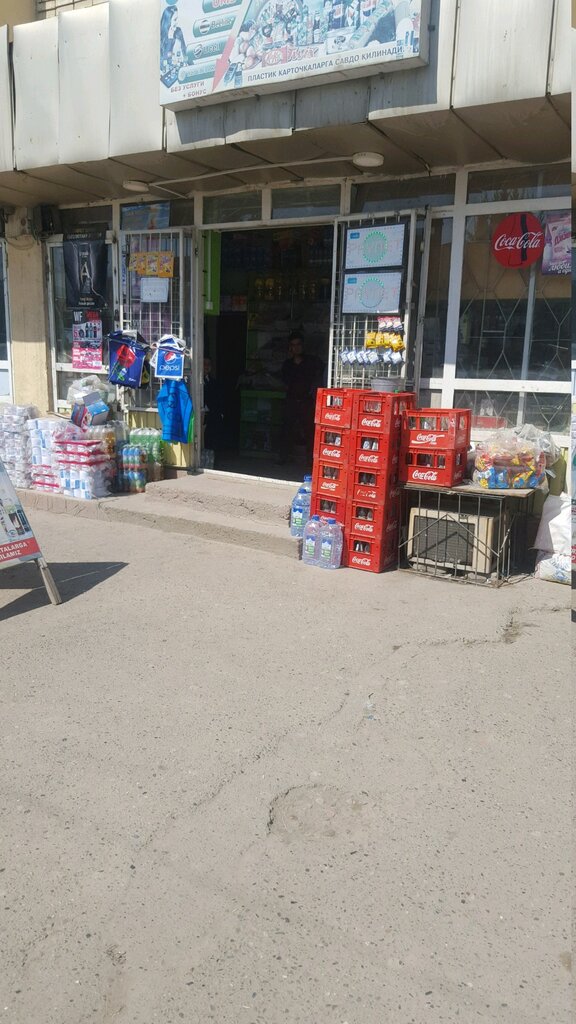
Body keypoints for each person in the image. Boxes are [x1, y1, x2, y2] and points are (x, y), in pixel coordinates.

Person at [279, 331, 324, 464]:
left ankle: (311, 459)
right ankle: (283, 457)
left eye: (298, 344)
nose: (296, 347)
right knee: (287, 429)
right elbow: (284, 382)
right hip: (291, 400)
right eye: (293, 345)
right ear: (290, 347)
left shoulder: (312, 361)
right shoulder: (287, 364)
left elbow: (320, 374)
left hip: (307, 401)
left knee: (310, 431)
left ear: (303, 345)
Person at [202, 357, 224, 456]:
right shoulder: (195, 381)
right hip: (200, 413)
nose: (206, 366)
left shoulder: (213, 381)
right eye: (204, 364)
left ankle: (210, 459)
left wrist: (220, 412)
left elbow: (218, 398)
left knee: (211, 437)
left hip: (212, 414)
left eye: (208, 364)